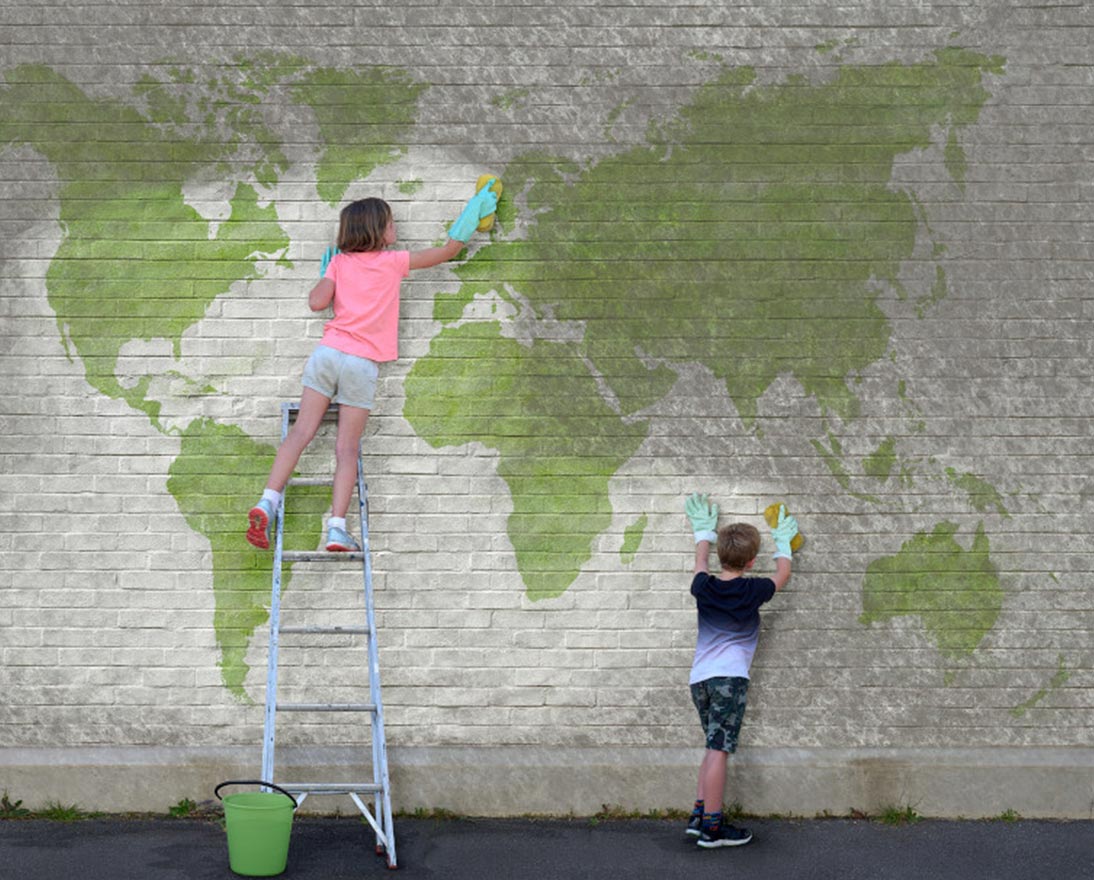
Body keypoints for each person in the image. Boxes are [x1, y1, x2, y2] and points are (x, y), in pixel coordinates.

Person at [246, 181, 499, 551]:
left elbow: (317, 303)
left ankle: (266, 500)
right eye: (392, 223)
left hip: (328, 354)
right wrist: (472, 214)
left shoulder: (339, 261)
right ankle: (336, 528)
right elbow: (448, 251)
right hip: (361, 365)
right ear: (378, 231)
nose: (396, 229)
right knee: (346, 449)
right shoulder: (393, 261)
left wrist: (327, 274)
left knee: (301, 433)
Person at [682, 492, 799, 849]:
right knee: (720, 749)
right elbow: (784, 573)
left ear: (722, 556)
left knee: (711, 745)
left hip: (699, 680)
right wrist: (784, 541)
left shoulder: (703, 586)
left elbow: (700, 560)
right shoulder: (754, 589)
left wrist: (703, 530)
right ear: (750, 562)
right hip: (729, 680)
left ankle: (700, 814)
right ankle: (713, 829)